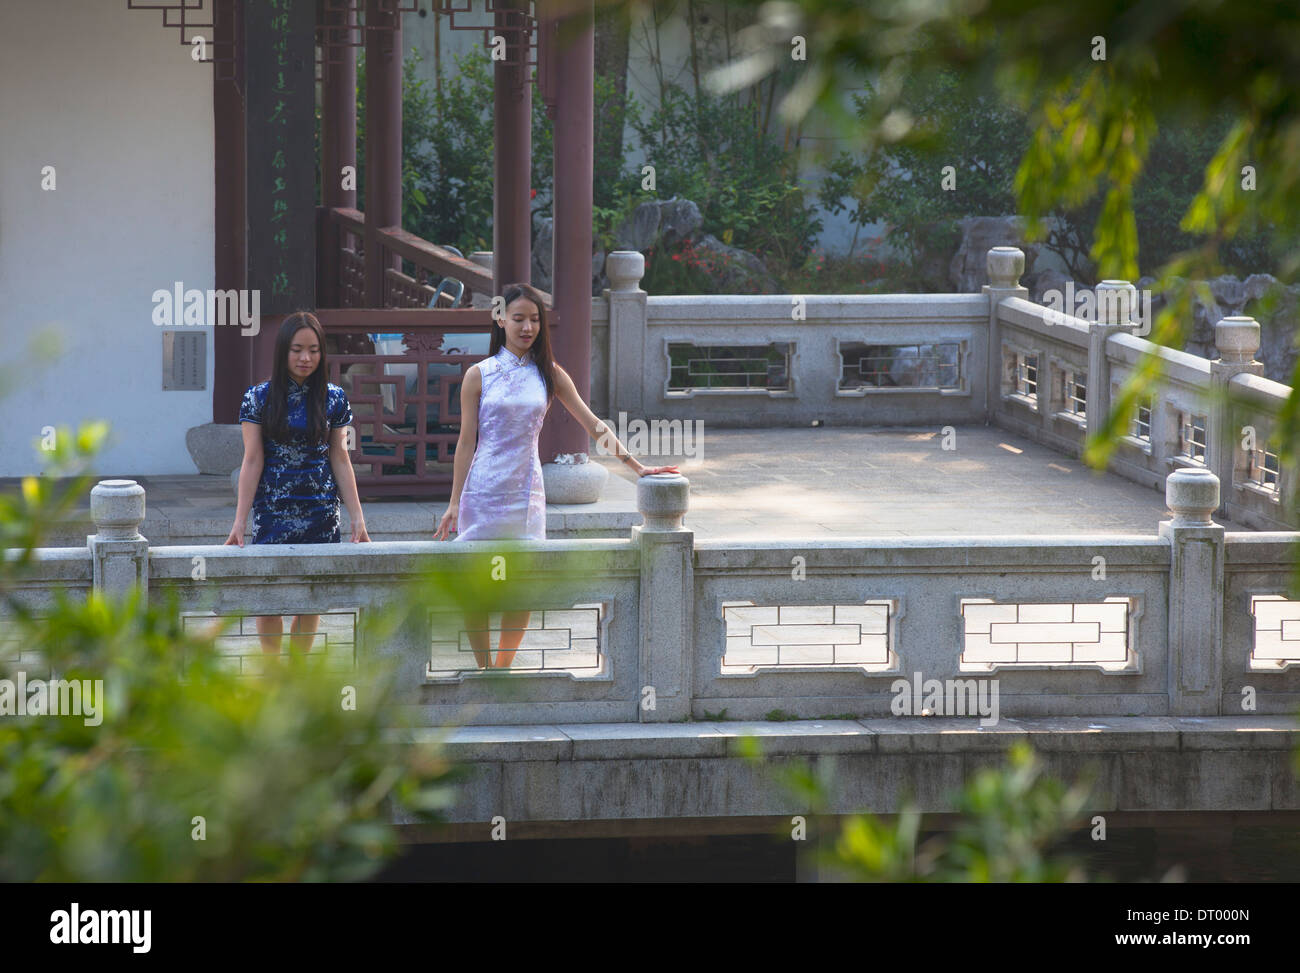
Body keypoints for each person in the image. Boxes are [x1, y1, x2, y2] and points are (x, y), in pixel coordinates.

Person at [433, 282, 677, 669]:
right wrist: (453, 502)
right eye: (518, 319)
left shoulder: (549, 374)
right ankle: (482, 668)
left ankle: (503, 668)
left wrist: (637, 467)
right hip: (482, 491)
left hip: (525, 492)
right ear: (500, 319)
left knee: (523, 585)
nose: (527, 327)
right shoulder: (478, 375)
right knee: (476, 581)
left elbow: (593, 425)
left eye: (534, 320)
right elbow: (466, 442)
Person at [226, 310, 370, 654]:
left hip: (320, 509)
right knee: (269, 597)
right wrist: (240, 521)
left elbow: (340, 456)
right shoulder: (257, 397)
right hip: (273, 509)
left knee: (312, 596)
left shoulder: (334, 398)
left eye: (314, 350)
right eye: (297, 349)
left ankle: (299, 672)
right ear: (282, 352)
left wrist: (357, 517)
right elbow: (252, 459)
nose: (306, 358)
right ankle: (274, 675)